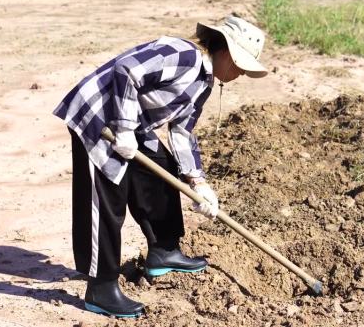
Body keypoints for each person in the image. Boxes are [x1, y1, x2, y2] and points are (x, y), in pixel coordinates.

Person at [52, 16, 267, 318]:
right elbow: (126, 70)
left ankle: (163, 250)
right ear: (227, 53)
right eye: (241, 66)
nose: (241, 73)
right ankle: (100, 288)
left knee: (161, 168)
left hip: (129, 123)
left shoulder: (203, 84)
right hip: (100, 116)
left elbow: (182, 132)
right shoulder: (183, 54)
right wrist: (125, 129)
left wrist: (198, 183)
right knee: (107, 199)